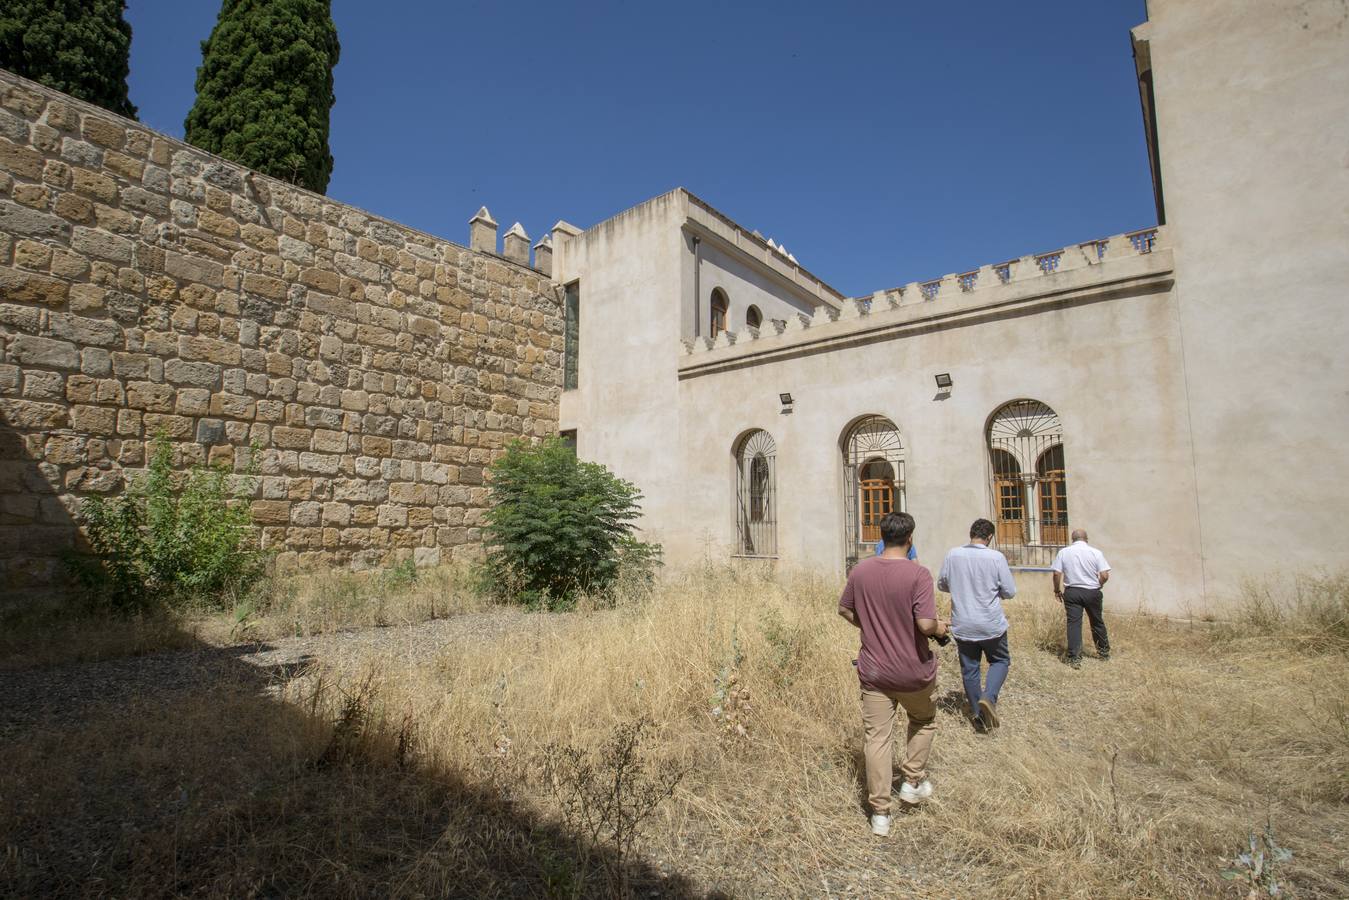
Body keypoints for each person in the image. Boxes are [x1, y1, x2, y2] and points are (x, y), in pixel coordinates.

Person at [839, 512, 950, 837]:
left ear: (881, 537)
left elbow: (844, 608)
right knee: (924, 720)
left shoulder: (861, 571)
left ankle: (880, 814)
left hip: (874, 671)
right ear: (910, 539)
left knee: (877, 738)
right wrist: (941, 627)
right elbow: (925, 624)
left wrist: (868, 625)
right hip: (913, 670)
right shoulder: (918, 574)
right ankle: (912, 779)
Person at [937, 518, 1016, 732]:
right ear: (989, 537)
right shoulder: (995, 557)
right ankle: (989, 698)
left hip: (963, 622)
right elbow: (1009, 591)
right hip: (990, 622)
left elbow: (942, 584)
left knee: (970, 669)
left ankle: (978, 715)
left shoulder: (953, 554)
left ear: (971, 533)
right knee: (1000, 660)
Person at [1051, 529, 1112, 668]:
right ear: (1086, 539)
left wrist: (1056, 589)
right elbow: (1105, 575)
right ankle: (1103, 652)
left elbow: (1056, 573)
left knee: (1074, 624)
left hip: (1072, 592)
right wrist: (1099, 584)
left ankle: (1074, 657)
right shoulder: (1096, 552)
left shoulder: (1064, 552)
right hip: (1092, 591)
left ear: (1072, 539)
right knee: (1097, 621)